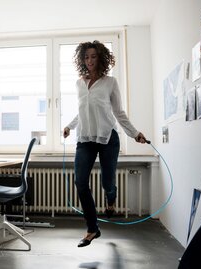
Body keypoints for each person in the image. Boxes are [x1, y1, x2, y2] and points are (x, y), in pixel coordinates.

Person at [63, 40, 147, 248]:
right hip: (85, 139)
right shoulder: (79, 83)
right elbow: (83, 111)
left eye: (93, 56)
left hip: (108, 138)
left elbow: (118, 113)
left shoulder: (110, 82)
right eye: (86, 57)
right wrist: (69, 126)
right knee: (80, 182)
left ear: (100, 58)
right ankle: (93, 229)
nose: (89, 60)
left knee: (107, 182)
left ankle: (111, 199)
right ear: (82, 60)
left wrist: (134, 133)